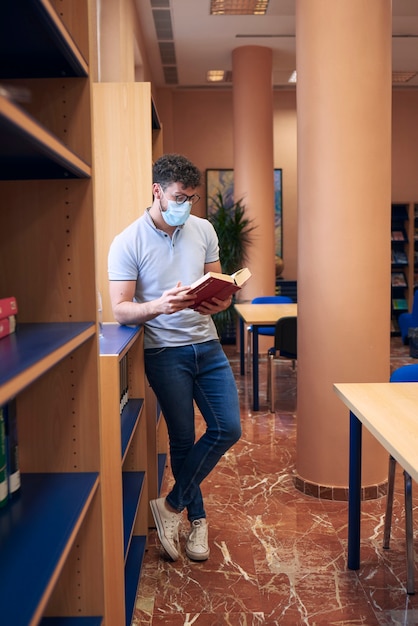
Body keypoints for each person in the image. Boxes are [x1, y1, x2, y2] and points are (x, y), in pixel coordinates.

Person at [108, 153, 242, 562]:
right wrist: (160, 307)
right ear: (158, 192)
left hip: (208, 346)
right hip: (165, 352)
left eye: (192, 196)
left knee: (228, 429)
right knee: (183, 440)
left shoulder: (202, 229)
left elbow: (217, 285)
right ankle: (196, 521)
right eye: (179, 196)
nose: (186, 204)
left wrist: (216, 303)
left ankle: (169, 507)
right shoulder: (127, 241)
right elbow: (120, 309)